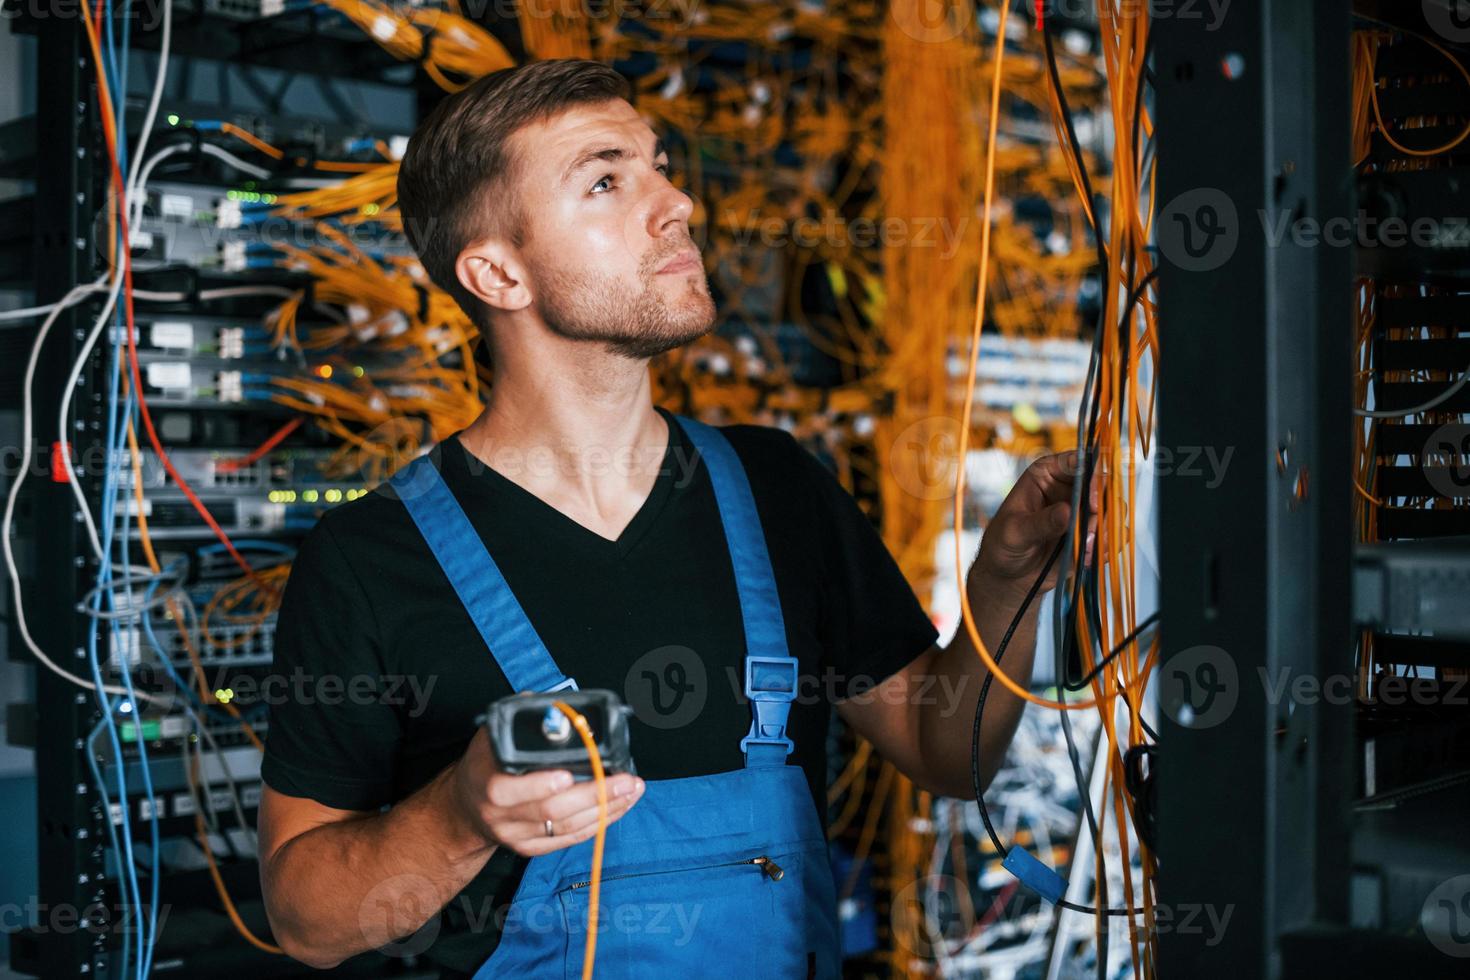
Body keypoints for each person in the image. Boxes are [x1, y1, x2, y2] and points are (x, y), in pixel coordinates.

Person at [256, 58, 1086, 979]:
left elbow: (948, 753)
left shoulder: (777, 488)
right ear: (497, 273)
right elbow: (307, 923)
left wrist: (1007, 581)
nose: (677, 201)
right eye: (607, 180)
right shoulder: (372, 558)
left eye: (659, 165)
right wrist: (461, 816)